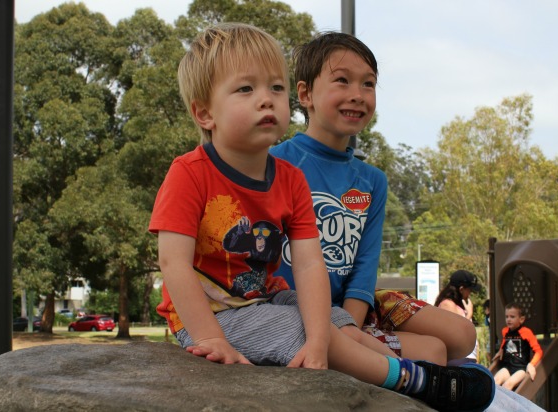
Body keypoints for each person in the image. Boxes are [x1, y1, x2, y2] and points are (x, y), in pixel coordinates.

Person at [149, 22, 495, 411]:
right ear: (204, 113)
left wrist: (319, 340)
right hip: (213, 315)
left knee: (335, 323)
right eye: (246, 89)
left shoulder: (289, 178)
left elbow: (312, 265)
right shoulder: (190, 172)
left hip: (265, 296)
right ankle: (412, 380)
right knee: (305, 329)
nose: (266, 99)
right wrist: (210, 338)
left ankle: (402, 367)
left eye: (275, 88)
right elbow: (173, 263)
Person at [270, 31, 476, 365]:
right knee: (434, 353)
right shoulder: (274, 163)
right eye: (342, 81)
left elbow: (365, 265)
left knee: (463, 335)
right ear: (305, 94)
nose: (358, 95)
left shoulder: (372, 181)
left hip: (355, 306)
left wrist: (353, 324)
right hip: (296, 309)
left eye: (368, 84)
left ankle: (363, 344)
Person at [492, 303, 543, 390]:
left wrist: (531, 364)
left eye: (512, 317)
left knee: (508, 384)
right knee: (495, 381)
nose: (508, 319)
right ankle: (493, 403)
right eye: (507, 317)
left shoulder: (526, 332)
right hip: (507, 367)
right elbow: (505, 342)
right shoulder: (505, 331)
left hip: (520, 368)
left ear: (521, 319)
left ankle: (505, 403)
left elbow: (538, 351)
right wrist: (501, 350)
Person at [435, 270, 481, 365]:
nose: (470, 294)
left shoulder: (460, 305)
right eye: (470, 290)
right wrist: (469, 315)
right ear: (461, 289)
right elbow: (457, 333)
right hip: (458, 360)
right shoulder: (447, 304)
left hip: (468, 358)